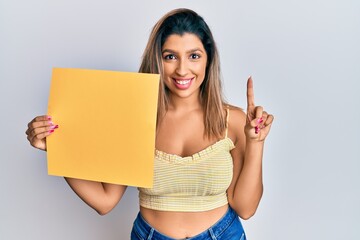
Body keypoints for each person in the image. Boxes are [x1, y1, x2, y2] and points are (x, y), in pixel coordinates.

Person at [25, 8, 273, 240]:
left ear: (208, 60)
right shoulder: (134, 117)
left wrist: (256, 143)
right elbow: (105, 201)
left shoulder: (234, 121)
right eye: (170, 56)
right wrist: (57, 148)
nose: (182, 69)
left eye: (194, 56)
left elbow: (246, 208)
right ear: (157, 59)